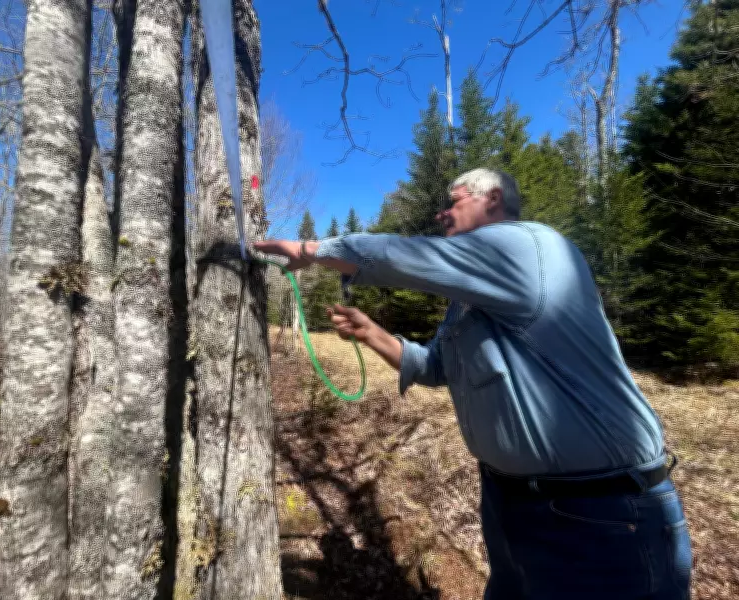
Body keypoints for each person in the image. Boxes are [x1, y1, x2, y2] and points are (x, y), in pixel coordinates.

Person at [254, 168, 693, 600]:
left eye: (454, 201)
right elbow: (436, 367)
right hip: (513, 506)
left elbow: (410, 256)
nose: (441, 214)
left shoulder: (531, 245)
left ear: (494, 198)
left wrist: (310, 250)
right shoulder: (467, 302)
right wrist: (372, 334)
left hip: (604, 515)